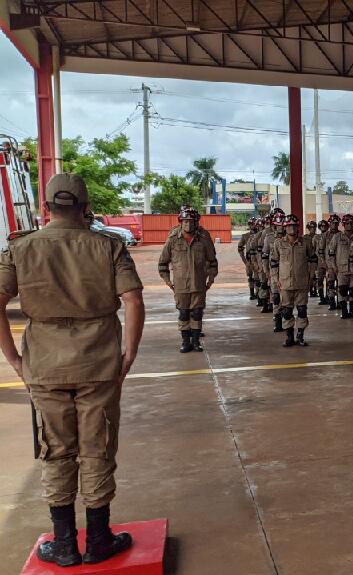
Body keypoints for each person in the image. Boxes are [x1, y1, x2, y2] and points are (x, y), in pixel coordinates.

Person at [0, 173, 144, 567]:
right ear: (85, 207)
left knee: (56, 449)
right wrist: (127, 353)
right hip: (99, 362)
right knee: (97, 447)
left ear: (47, 208)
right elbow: (132, 299)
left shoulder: (22, 247)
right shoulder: (107, 246)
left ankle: (64, 542)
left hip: (44, 365)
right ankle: (98, 539)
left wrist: (15, 358)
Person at [158, 206, 218, 353]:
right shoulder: (173, 240)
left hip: (198, 284)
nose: (188, 224)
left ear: (196, 222)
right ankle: (185, 342)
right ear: (180, 222)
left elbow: (212, 261)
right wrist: (168, 281)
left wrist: (210, 279)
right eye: (185, 221)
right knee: (183, 313)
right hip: (180, 285)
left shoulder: (203, 239)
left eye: (191, 221)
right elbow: (162, 263)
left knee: (197, 313)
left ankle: (196, 341)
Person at [271, 214, 316, 347]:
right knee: (287, 311)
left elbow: (313, 260)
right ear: (285, 228)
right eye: (289, 226)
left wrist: (311, 276)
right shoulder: (278, 243)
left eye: (294, 226)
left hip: (302, 282)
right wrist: (275, 279)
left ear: (297, 228)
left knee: (302, 310)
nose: (291, 228)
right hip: (285, 283)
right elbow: (273, 262)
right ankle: (289, 336)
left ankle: (300, 335)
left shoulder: (305, 243)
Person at [328, 214, 353, 319]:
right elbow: (331, 253)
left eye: (351, 223)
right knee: (342, 290)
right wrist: (333, 267)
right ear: (343, 224)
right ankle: (344, 311)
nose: (349, 225)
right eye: (347, 223)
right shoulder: (337, 237)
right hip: (341, 269)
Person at [239, 217, 258, 300]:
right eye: (250, 224)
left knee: (259, 277)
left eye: (253, 224)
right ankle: (252, 293)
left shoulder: (261, 234)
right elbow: (240, 248)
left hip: (259, 259)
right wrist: (244, 260)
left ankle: (260, 294)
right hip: (249, 260)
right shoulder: (245, 236)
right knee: (250, 277)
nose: (252, 226)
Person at [306, 220, 320, 297]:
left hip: (316, 259)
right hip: (308, 260)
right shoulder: (305, 237)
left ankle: (315, 290)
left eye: (314, 227)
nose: (313, 229)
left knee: (315, 276)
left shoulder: (318, 237)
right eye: (311, 227)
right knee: (309, 276)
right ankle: (310, 290)